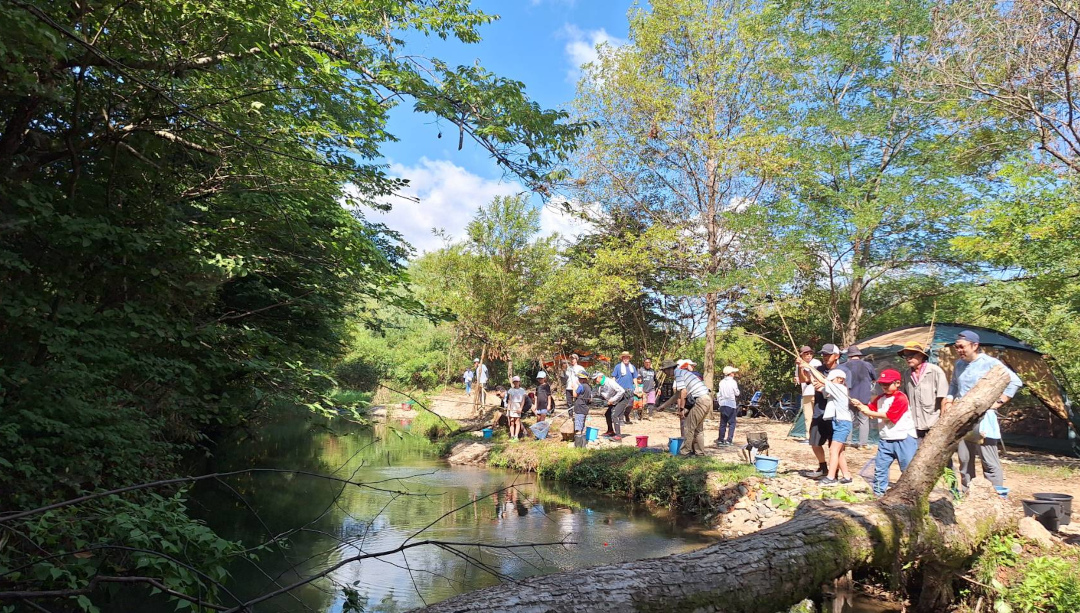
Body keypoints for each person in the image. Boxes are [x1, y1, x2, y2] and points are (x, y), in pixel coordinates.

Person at [944, 330, 1023, 491]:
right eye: (956, 347)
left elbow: (1015, 381)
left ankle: (997, 495)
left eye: (962, 347)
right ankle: (967, 495)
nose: (958, 350)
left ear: (975, 345)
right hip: (963, 419)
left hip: (984, 419)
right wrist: (949, 400)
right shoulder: (959, 364)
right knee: (965, 460)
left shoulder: (989, 363)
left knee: (989, 460)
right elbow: (954, 385)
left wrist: (998, 402)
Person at [851, 369, 916, 497]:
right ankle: (879, 494)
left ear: (897, 383)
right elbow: (870, 409)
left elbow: (888, 415)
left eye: (888, 383)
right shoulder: (880, 398)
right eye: (882, 384)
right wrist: (860, 405)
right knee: (880, 467)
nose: (884, 386)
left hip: (903, 438)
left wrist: (868, 412)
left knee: (907, 468)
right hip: (886, 439)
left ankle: (910, 494)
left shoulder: (901, 398)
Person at [657, 359, 713, 456]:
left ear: (670, 369)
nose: (665, 373)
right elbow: (677, 394)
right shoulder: (681, 372)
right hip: (706, 399)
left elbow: (683, 392)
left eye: (664, 371)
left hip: (700, 400)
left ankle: (684, 452)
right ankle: (699, 454)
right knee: (698, 429)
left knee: (688, 426)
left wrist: (681, 409)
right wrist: (664, 406)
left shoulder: (677, 373)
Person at [898, 342, 949, 439]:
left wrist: (943, 421)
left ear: (921, 355)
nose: (908, 359)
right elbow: (906, 398)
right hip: (914, 424)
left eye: (911, 355)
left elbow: (944, 397)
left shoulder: (935, 371)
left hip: (933, 422)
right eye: (906, 356)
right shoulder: (907, 374)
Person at [804, 344, 840, 478]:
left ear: (836, 356)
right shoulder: (818, 369)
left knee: (834, 447)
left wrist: (824, 385)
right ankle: (823, 467)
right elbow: (806, 381)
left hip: (835, 414)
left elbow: (841, 388)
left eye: (828, 354)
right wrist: (803, 368)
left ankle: (834, 473)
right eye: (823, 354)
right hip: (819, 411)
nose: (825, 357)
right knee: (814, 442)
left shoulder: (841, 371)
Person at [819, 369, 853, 486]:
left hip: (842, 423)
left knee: (833, 450)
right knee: (839, 452)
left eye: (832, 380)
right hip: (839, 422)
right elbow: (821, 386)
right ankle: (847, 476)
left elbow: (822, 381)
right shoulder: (838, 389)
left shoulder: (840, 388)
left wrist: (806, 366)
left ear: (839, 379)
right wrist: (808, 371)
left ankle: (831, 477)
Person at [840, 345, 877, 448]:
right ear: (859, 355)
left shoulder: (844, 366)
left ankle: (847, 442)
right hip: (864, 397)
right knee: (864, 420)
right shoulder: (867, 365)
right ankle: (863, 444)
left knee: (849, 419)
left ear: (849, 355)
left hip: (849, 397)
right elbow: (874, 378)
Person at [794, 345, 821, 443]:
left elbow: (814, 376)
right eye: (806, 354)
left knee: (817, 415)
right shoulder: (798, 364)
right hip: (806, 393)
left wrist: (804, 366)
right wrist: (797, 375)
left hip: (816, 392)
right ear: (802, 355)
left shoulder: (816, 363)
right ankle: (808, 437)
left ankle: (818, 436)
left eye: (810, 353)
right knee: (808, 416)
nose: (809, 355)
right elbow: (801, 379)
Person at [593, 371, 629, 441]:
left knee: (615, 415)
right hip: (613, 401)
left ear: (601, 377)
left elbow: (621, 391)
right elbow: (595, 393)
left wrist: (612, 400)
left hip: (622, 399)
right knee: (607, 414)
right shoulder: (599, 385)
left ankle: (618, 436)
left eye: (596, 378)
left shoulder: (610, 382)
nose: (595, 380)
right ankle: (610, 431)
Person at [715, 366, 740, 446]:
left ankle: (720, 440)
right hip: (731, 404)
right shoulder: (733, 382)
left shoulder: (721, 382)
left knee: (723, 423)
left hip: (723, 404)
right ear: (730, 374)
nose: (734, 374)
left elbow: (719, 393)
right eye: (733, 373)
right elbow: (737, 393)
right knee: (732, 423)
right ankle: (729, 440)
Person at [613, 351, 638, 424]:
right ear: (622, 358)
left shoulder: (632, 367)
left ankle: (626, 415)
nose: (626, 359)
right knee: (621, 404)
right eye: (624, 357)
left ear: (629, 358)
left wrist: (636, 387)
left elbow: (635, 378)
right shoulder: (618, 367)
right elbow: (614, 377)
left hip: (630, 388)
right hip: (620, 388)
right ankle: (620, 419)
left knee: (630, 404)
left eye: (627, 357)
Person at [505, 376, 526, 441]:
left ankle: (516, 436)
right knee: (511, 422)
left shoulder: (522, 390)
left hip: (518, 406)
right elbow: (510, 400)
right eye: (514, 381)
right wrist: (508, 407)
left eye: (517, 381)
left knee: (517, 421)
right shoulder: (511, 390)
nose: (516, 383)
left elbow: (523, 400)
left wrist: (520, 408)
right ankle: (512, 436)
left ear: (519, 382)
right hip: (512, 406)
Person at [571, 371, 592, 436]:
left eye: (579, 378)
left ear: (582, 379)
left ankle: (578, 443)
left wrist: (574, 387)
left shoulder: (581, 386)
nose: (578, 379)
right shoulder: (589, 387)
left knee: (578, 428)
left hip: (579, 408)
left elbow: (575, 395)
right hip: (585, 408)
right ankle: (583, 442)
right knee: (582, 425)